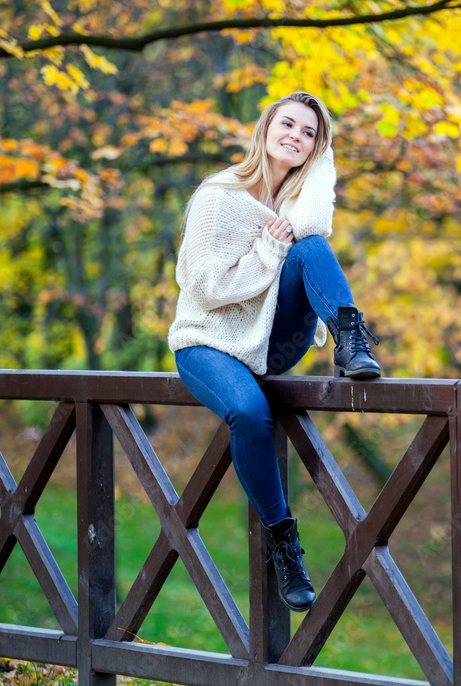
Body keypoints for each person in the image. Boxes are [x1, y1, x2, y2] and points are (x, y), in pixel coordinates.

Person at [167, 92, 381, 612]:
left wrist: (324, 159)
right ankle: (284, 541)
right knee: (248, 411)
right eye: (288, 124)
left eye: (310, 133)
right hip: (208, 342)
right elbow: (205, 284)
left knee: (310, 246)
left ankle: (351, 340)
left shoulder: (294, 207)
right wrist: (268, 247)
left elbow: (313, 232)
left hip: (268, 341)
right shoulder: (218, 196)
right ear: (264, 128)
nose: (297, 137)